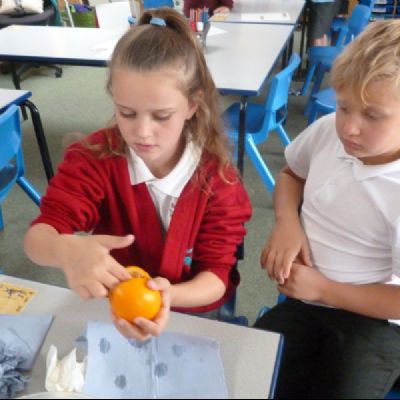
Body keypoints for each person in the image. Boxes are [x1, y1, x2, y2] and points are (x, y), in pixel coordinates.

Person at [24, 8, 252, 341]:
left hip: (192, 307)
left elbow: (216, 274)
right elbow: (38, 239)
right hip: (117, 308)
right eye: (127, 113)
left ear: (192, 105)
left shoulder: (218, 180)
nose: (142, 132)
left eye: (161, 116)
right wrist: (63, 249)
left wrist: (167, 296)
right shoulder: (94, 159)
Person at [255, 20, 400, 399]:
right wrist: (287, 223)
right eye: (343, 107)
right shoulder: (326, 133)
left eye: (372, 115)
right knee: (255, 372)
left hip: (374, 322)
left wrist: (325, 289)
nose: (349, 127)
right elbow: (291, 174)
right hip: (304, 304)